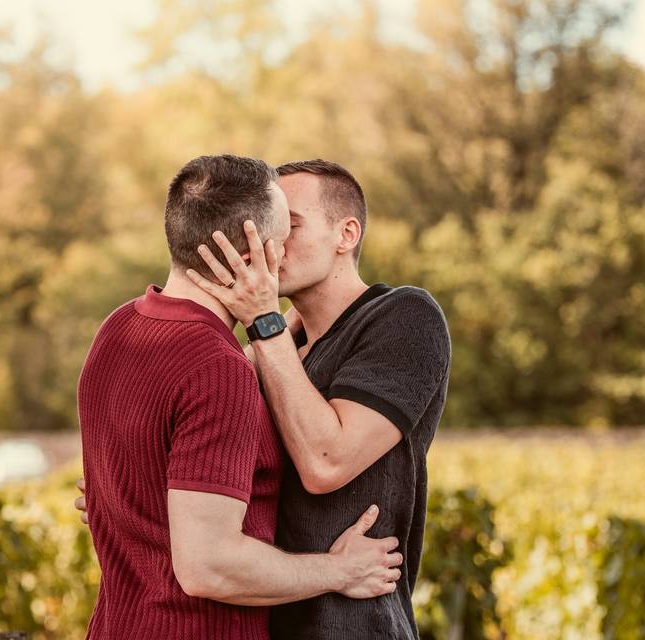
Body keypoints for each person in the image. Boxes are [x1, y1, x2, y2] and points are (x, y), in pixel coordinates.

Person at [76, 155, 403, 640]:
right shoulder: (217, 367)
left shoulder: (119, 328)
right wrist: (341, 571)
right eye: (282, 237)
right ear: (252, 255)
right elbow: (208, 566)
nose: (288, 253)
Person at [183, 159, 451, 639]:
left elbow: (326, 462)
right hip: (263, 619)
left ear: (346, 234)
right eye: (269, 229)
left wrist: (264, 321)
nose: (269, 245)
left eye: (291, 227)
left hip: (355, 626)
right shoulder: (274, 347)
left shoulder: (406, 317)